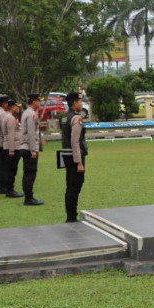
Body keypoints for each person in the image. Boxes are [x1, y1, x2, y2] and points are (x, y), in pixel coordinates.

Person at [62, 92, 88, 222]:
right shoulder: (76, 118)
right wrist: (79, 162)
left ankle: (70, 215)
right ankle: (71, 217)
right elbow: (75, 141)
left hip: (67, 155)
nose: (81, 104)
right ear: (74, 103)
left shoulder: (65, 117)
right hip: (74, 157)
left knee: (70, 186)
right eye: (79, 101)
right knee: (75, 186)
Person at [20, 94, 44, 205]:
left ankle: (28, 197)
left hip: (26, 147)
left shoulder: (26, 112)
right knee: (30, 173)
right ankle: (29, 198)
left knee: (28, 173)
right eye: (39, 101)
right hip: (29, 148)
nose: (40, 103)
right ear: (34, 101)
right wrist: (33, 150)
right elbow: (31, 132)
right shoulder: (31, 114)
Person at [2, 99, 24, 198]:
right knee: (11, 170)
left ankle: (9, 189)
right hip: (12, 147)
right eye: (16, 106)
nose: (18, 108)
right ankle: (9, 190)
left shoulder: (9, 116)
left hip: (11, 146)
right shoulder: (10, 118)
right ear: (11, 107)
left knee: (10, 169)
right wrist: (11, 149)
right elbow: (10, 134)